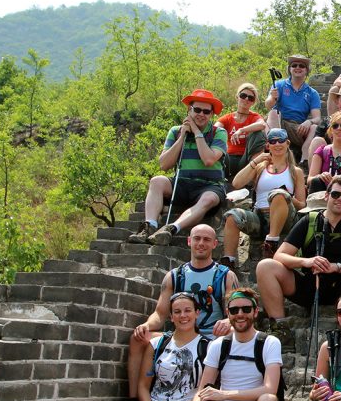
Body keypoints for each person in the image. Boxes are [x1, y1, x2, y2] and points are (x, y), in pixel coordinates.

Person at [256, 178, 341, 344]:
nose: (340, 199)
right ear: (327, 196)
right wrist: (307, 262)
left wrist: (336, 267)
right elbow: (279, 256)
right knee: (265, 266)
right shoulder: (309, 221)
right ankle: (280, 329)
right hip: (309, 284)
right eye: (336, 194)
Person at [127, 224, 236, 401]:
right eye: (197, 238)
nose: (201, 243)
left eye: (207, 239)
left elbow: (235, 313)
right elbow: (160, 314)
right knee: (138, 337)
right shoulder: (174, 276)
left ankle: (216, 399)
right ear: (189, 241)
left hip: (211, 334)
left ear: (215, 244)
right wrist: (146, 325)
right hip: (179, 333)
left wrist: (227, 321)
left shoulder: (225, 276)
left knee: (231, 336)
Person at [128, 89, 228, 246]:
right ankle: (149, 226)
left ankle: (171, 229)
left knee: (209, 198)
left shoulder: (218, 132)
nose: (201, 114)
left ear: (211, 115)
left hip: (209, 185)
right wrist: (182, 137)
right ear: (189, 110)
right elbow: (164, 165)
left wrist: (196, 132)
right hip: (180, 183)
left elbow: (209, 160)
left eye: (206, 111)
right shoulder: (175, 132)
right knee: (156, 181)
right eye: (197, 110)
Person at [223, 128, 307, 265]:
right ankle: (228, 260)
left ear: (287, 143)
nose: (277, 144)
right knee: (232, 216)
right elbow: (237, 183)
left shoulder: (295, 171)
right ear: (268, 145)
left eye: (281, 141)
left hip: (285, 218)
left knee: (278, 194)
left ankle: (272, 242)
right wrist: (255, 162)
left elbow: (302, 205)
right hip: (260, 217)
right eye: (273, 141)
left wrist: (285, 196)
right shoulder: (260, 167)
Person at [194, 288, 282, 401]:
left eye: (246, 309)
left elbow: (270, 389)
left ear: (255, 311)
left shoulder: (269, 343)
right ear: (227, 313)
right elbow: (202, 390)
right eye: (234, 310)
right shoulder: (218, 345)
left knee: (268, 399)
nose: (240, 314)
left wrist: (225, 395)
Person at [137, 292, 210, 401]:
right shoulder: (156, 344)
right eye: (177, 312)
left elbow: (206, 391)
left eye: (187, 310)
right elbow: (143, 385)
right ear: (171, 317)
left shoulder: (207, 347)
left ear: (197, 313)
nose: (183, 315)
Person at [266, 54, 322, 161]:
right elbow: (268, 105)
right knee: (273, 113)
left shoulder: (312, 93)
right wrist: (272, 98)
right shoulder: (279, 85)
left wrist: (309, 122)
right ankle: (277, 149)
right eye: (294, 65)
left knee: (314, 127)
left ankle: (304, 160)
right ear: (289, 69)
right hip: (279, 123)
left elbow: (317, 118)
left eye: (301, 66)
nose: (297, 68)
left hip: (298, 128)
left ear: (306, 70)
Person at [216, 83, 267, 178]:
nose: (246, 99)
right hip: (228, 159)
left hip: (246, 161)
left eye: (250, 98)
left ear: (253, 102)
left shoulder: (254, 117)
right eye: (243, 96)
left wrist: (241, 130)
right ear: (237, 97)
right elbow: (215, 129)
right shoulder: (227, 118)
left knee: (258, 134)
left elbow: (262, 124)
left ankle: (254, 175)